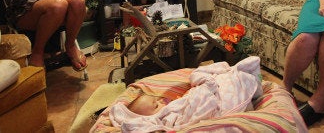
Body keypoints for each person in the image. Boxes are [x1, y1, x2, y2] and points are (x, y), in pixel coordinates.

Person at [108, 56, 264, 132]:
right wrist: (204, 90)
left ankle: (241, 78)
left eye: (159, 100)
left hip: (200, 100)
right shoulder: (164, 120)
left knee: (211, 77)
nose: (162, 102)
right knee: (226, 83)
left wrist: (190, 94)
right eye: (156, 105)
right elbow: (193, 110)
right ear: (146, 117)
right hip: (211, 105)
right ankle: (244, 79)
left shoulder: (170, 107)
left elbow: (186, 101)